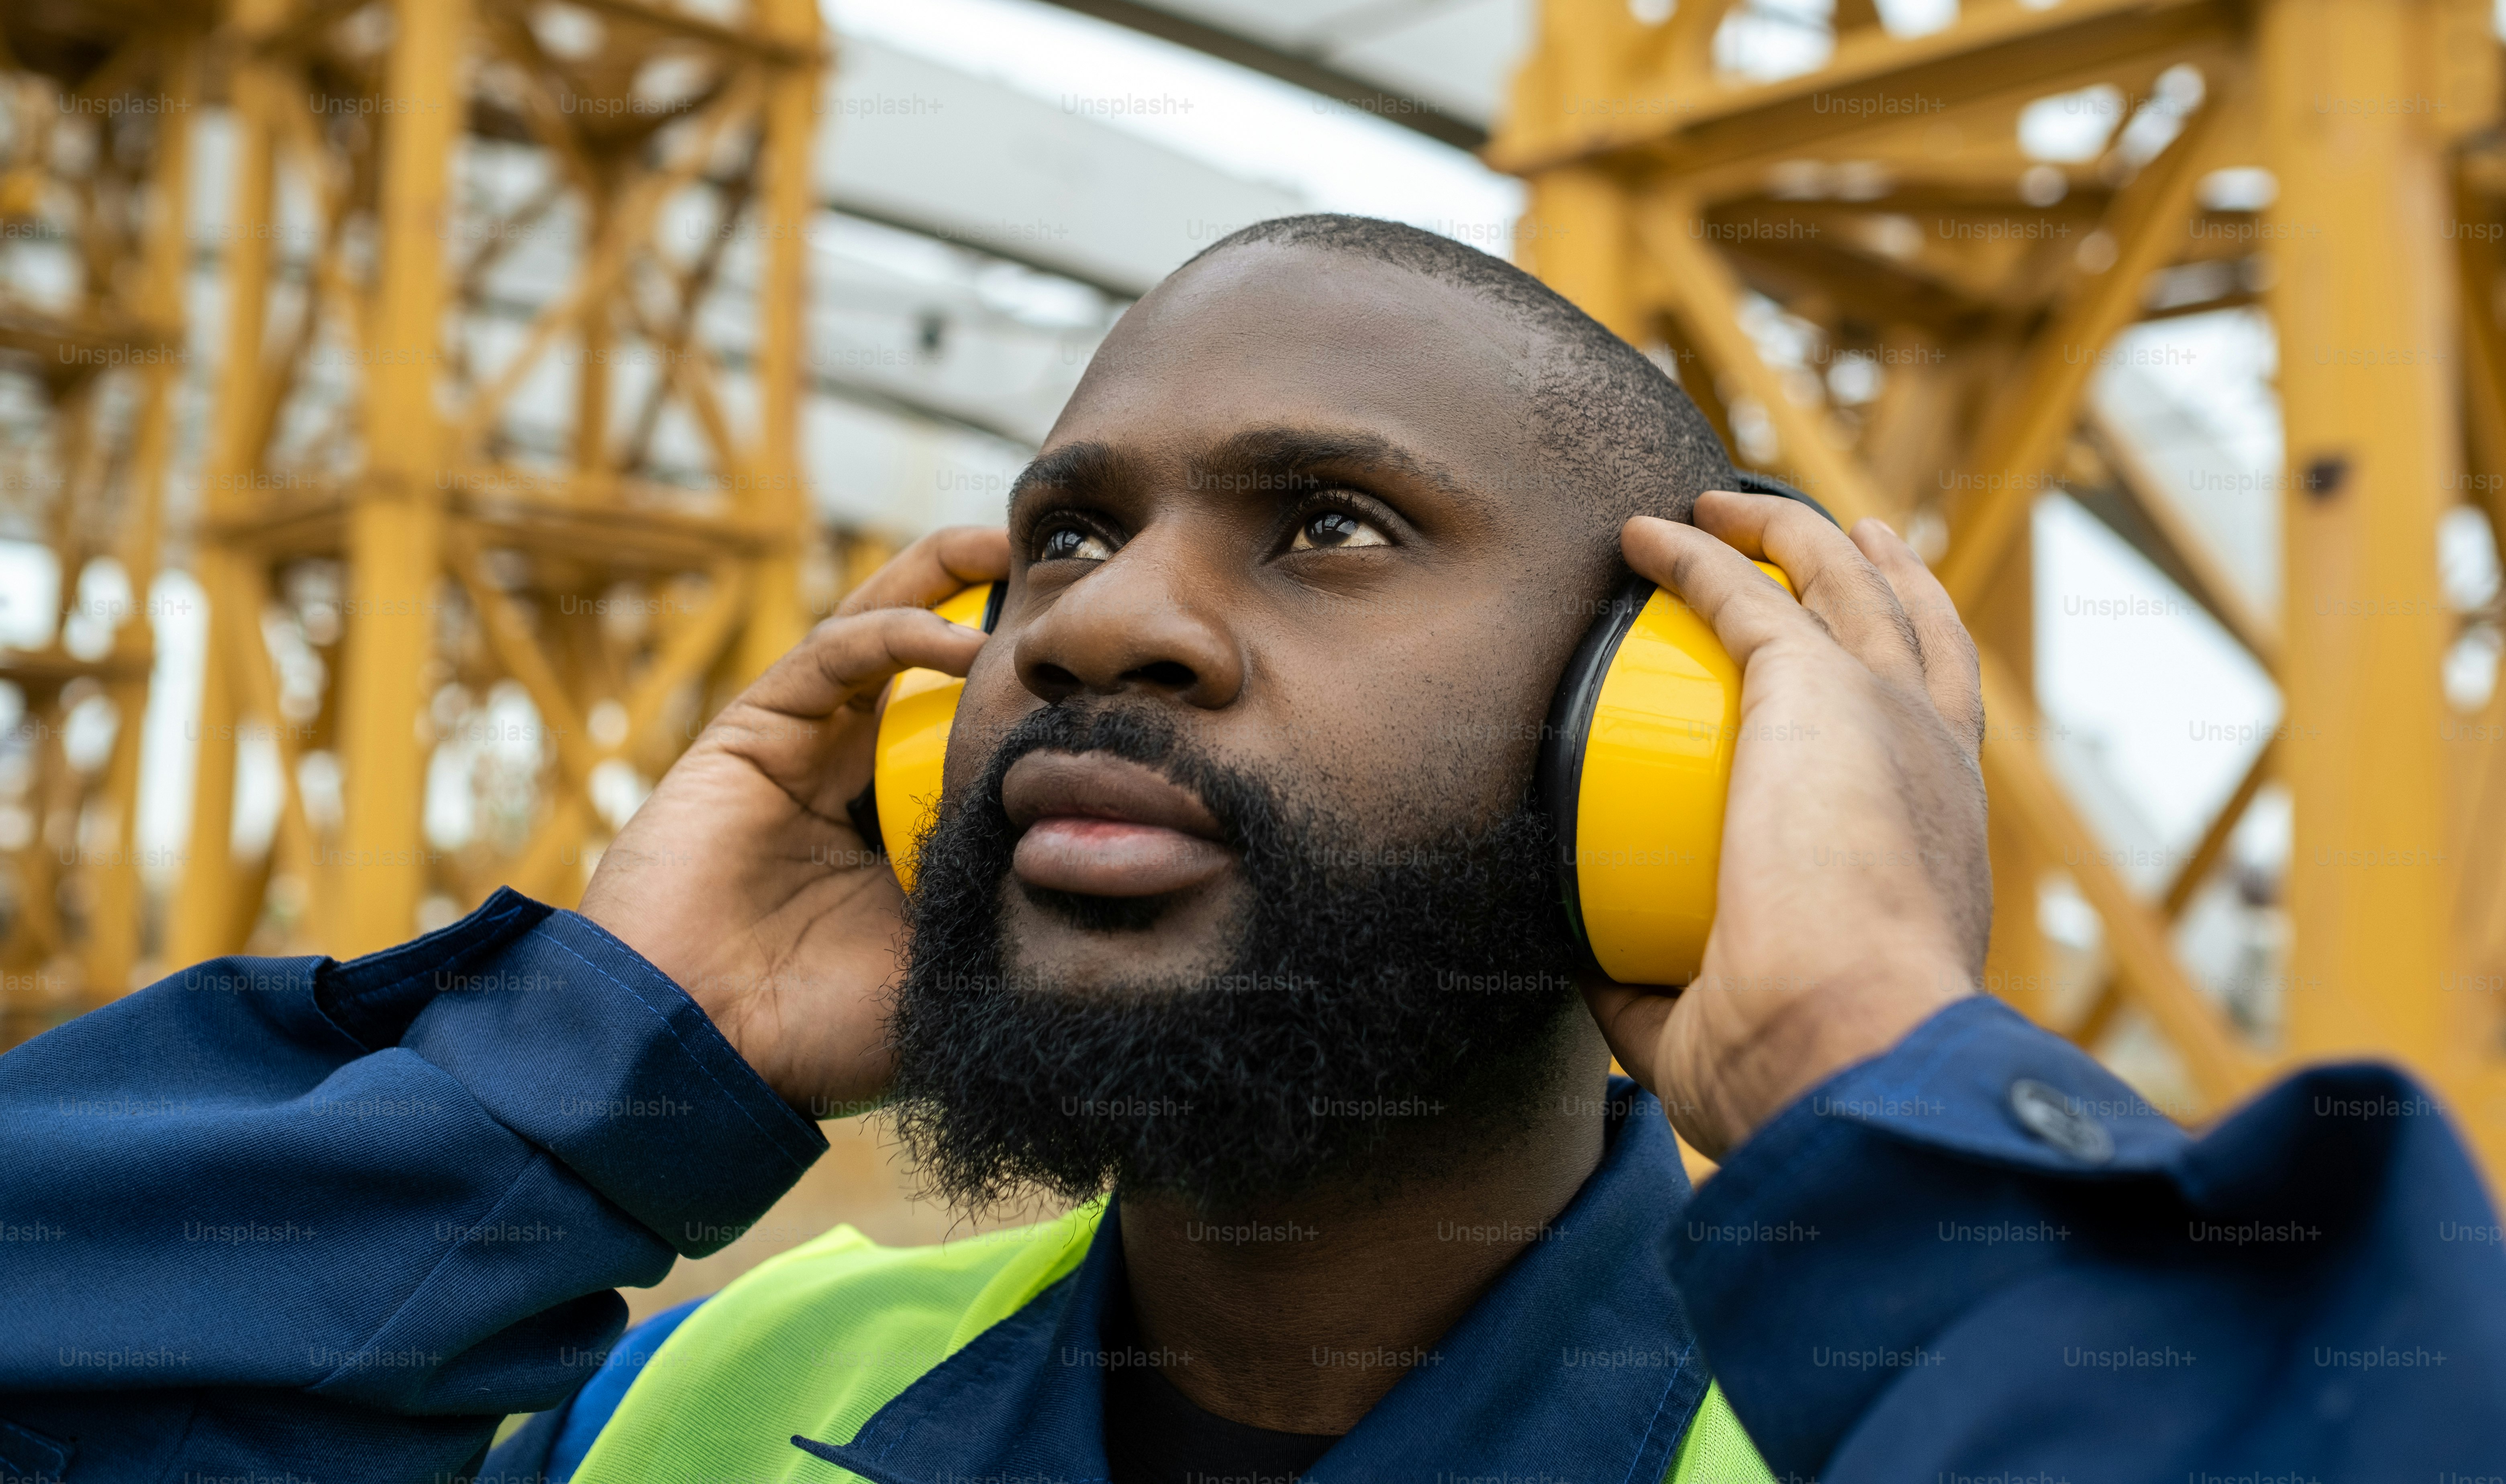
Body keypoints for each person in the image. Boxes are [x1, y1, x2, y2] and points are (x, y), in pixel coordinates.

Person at [4, 216, 2501, 1484]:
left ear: (1656, 734)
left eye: (1322, 530)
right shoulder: (719, 1401)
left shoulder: (1919, 1419)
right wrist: (572, 1086)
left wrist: (1856, 1041)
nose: (1103, 633)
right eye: (1061, 537)